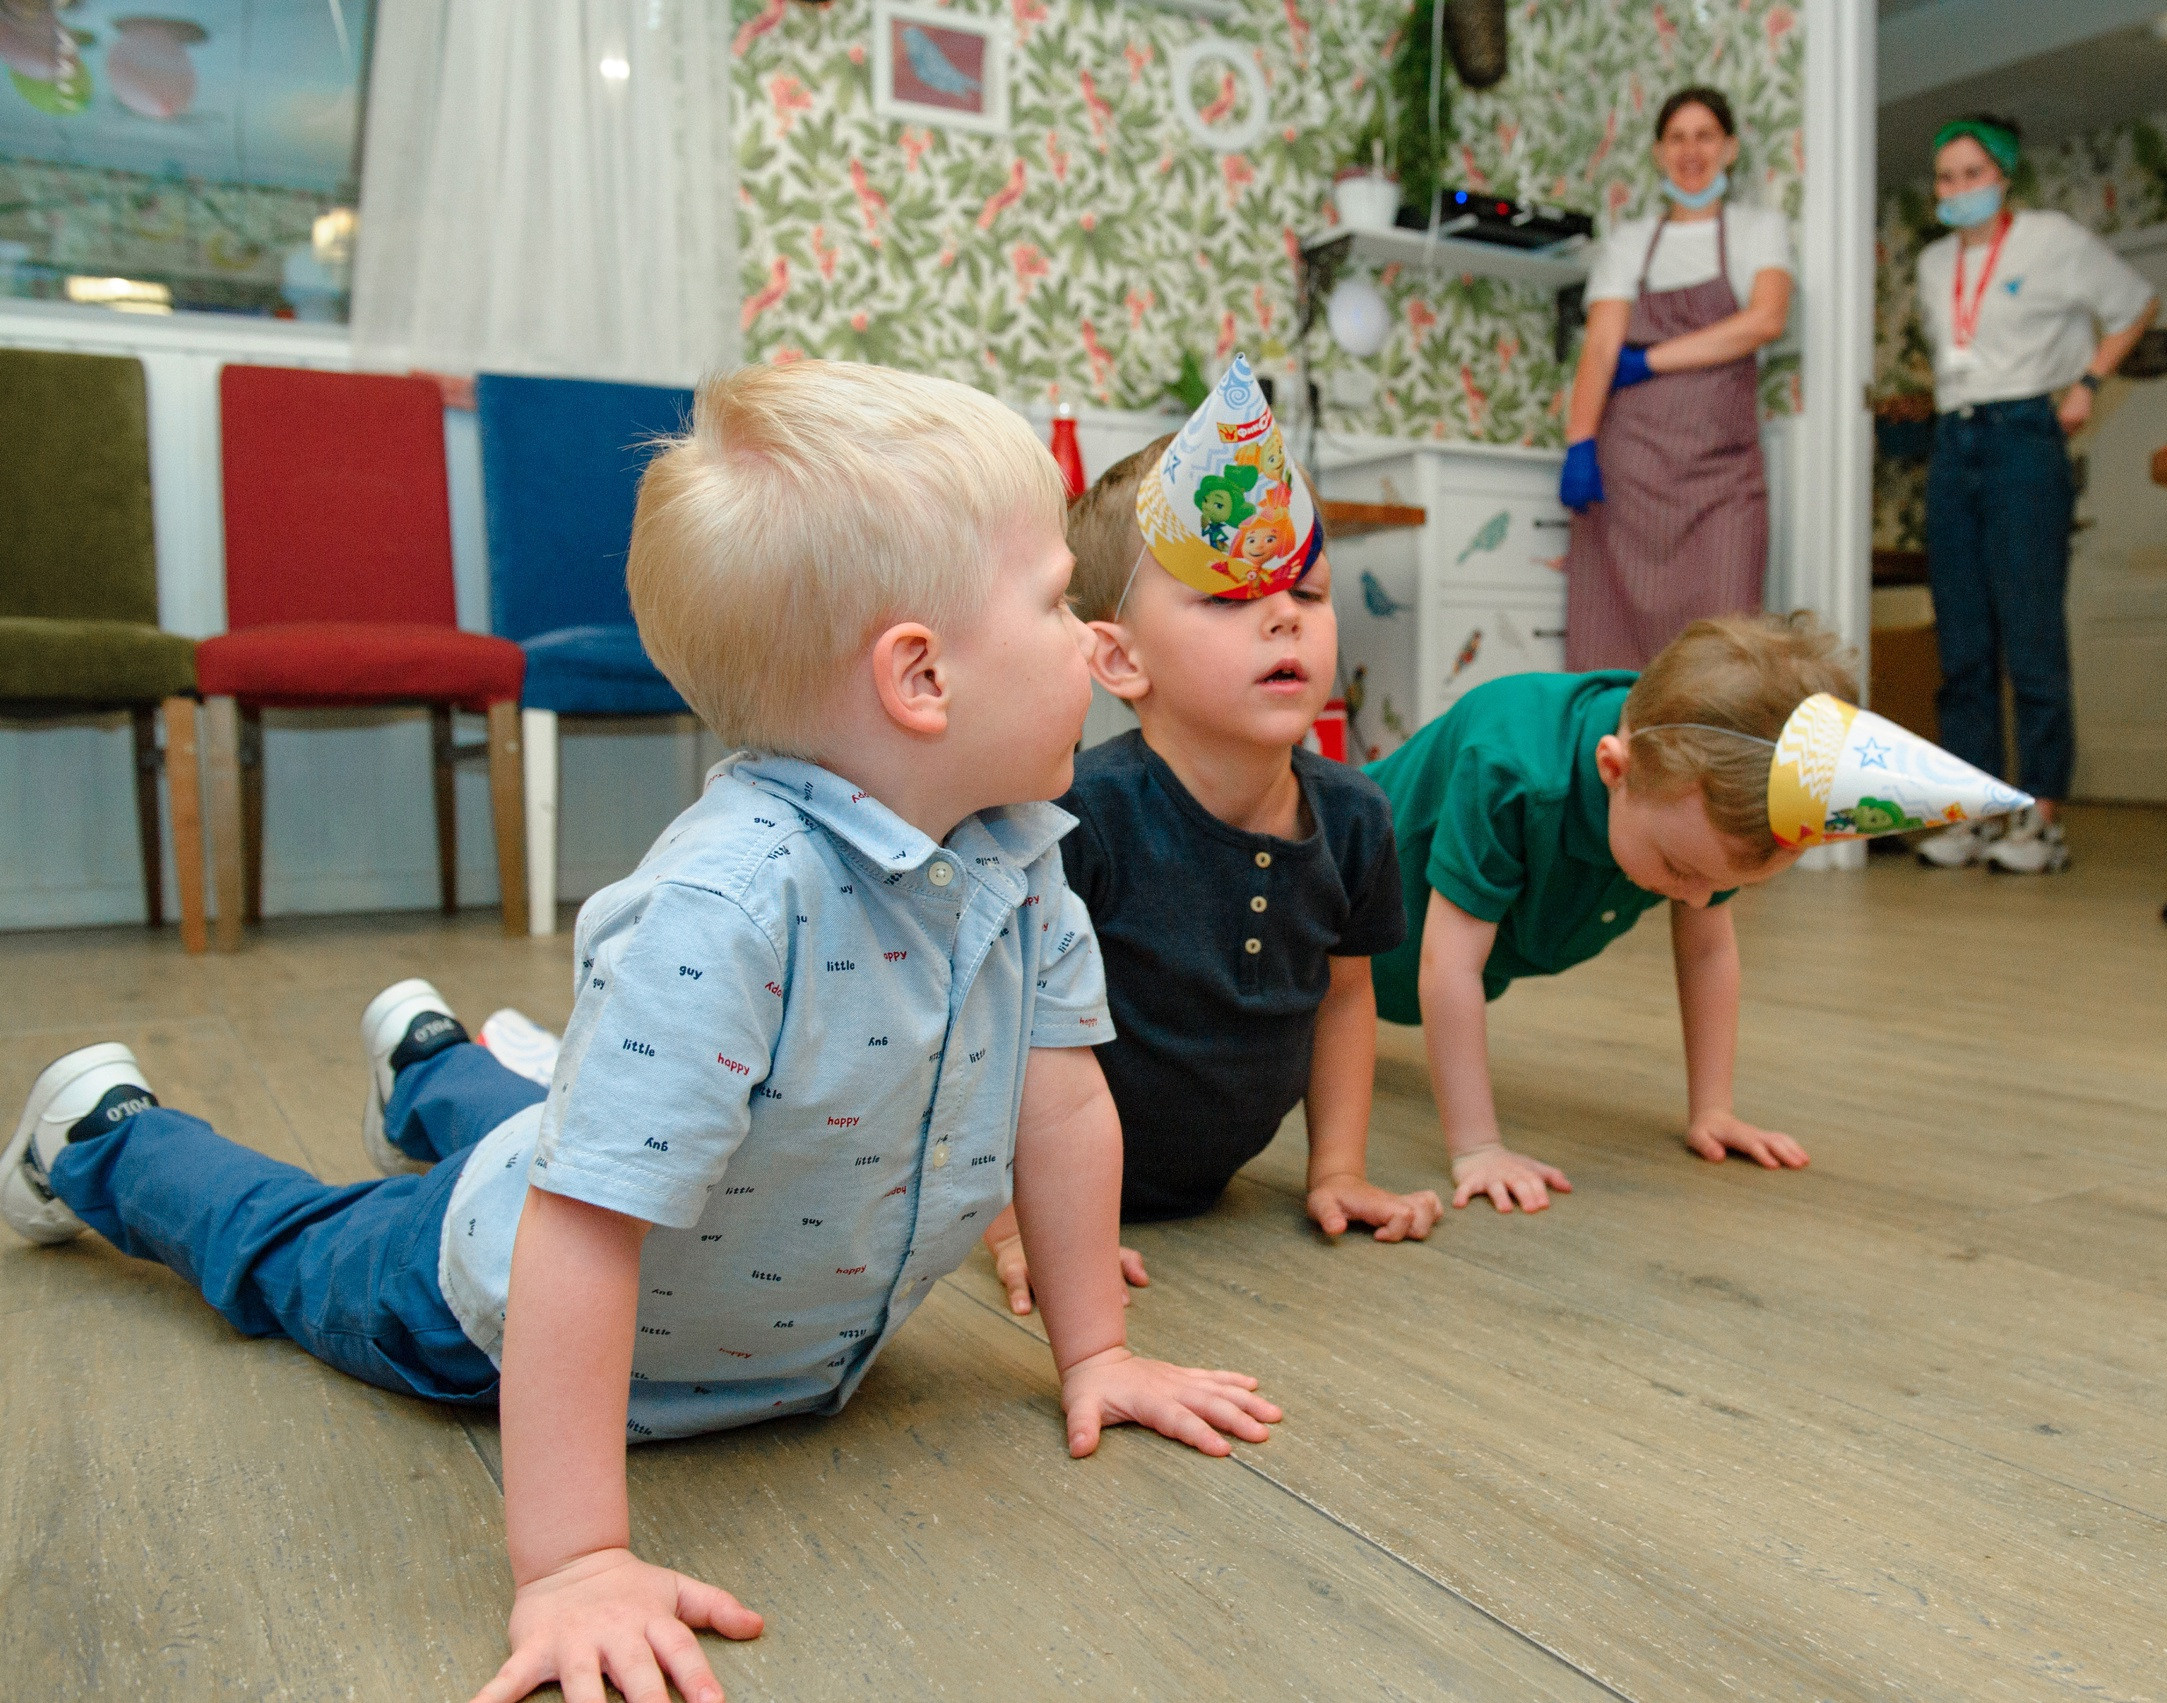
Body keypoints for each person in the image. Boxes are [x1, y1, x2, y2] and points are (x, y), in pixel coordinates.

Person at [0, 362, 1282, 1703]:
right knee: (297, 1251)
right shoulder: (722, 913)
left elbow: (1062, 1105)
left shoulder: (1024, 855)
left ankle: (435, 1060)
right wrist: (571, 1559)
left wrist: (1098, 1349)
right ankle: (103, 1140)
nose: (1095, 637)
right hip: (497, 1305)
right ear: (920, 675)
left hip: (730, 1273)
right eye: (1055, 601)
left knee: (585, 1124)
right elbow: (581, 1223)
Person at [981, 366, 1442, 1311]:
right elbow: (994, 1027)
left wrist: (1337, 1166)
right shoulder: (1079, 822)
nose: (1282, 614)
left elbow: (1347, 999)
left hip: (1215, 1195)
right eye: (1229, 599)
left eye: (1306, 594)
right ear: (1118, 658)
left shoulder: (1356, 818)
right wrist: (1013, 1222)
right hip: (1051, 1189)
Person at [1365, 616, 1851, 1213]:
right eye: (1679, 872)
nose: (1697, 898)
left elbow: (1707, 950)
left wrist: (1714, 1108)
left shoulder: (1700, 807)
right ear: (1613, 768)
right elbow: (1449, 963)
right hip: (1320, 911)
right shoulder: (1509, 765)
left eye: (1722, 886)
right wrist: (1478, 1149)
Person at [1910, 113, 2158, 875]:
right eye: (1946, 178)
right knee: (1962, 641)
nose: (1957, 190)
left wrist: (2088, 383)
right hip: (1954, 441)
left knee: (2031, 634)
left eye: (1972, 175)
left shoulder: (2051, 240)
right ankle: (1976, 811)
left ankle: (2041, 814)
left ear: (2003, 177)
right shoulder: (1930, 263)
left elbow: (2135, 303)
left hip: (2025, 436)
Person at [1559, 85, 1795, 669]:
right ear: (1660, 153)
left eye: (1705, 136)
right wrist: (1579, 441)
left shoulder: (1758, 231)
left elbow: (1764, 320)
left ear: (1731, 147)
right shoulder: (1629, 243)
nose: (1692, 152)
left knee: (1725, 651)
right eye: (1677, 138)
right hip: (1630, 476)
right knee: (1609, 650)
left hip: (1723, 481)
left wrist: (1651, 360)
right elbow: (1602, 347)